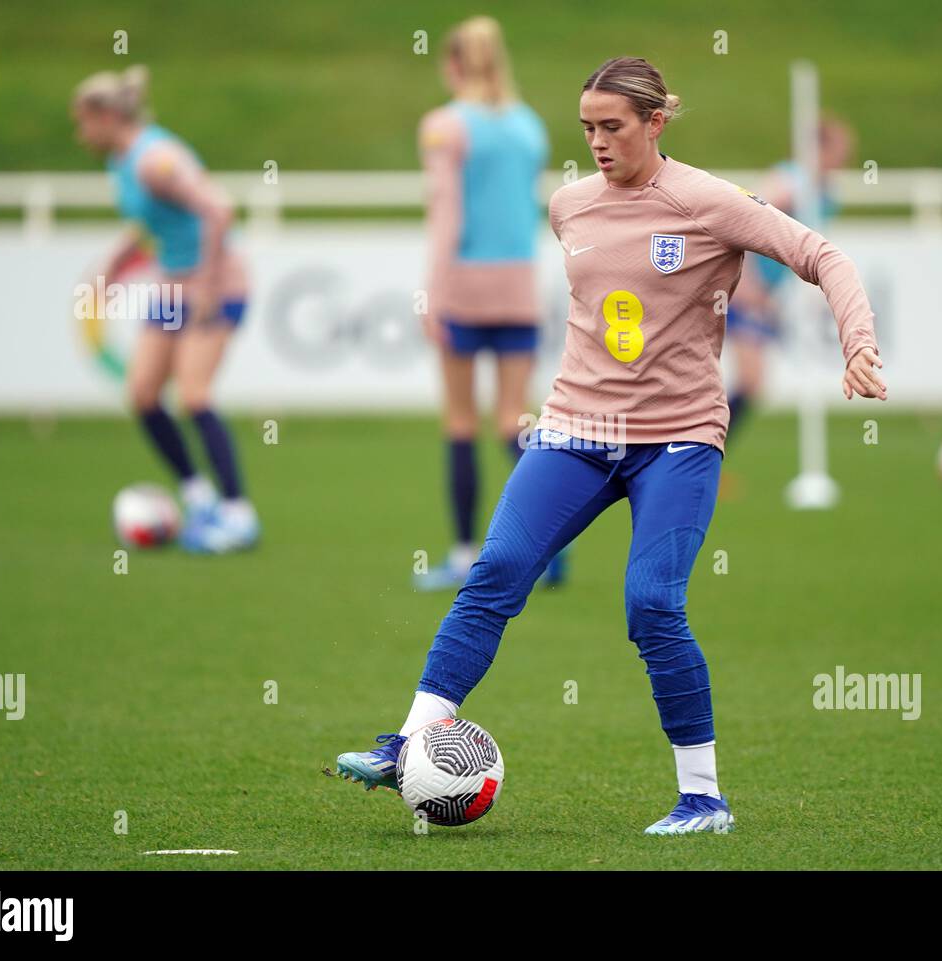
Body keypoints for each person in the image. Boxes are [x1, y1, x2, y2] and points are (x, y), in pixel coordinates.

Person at [334, 57, 885, 834]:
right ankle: (408, 743)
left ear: (656, 122)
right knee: (495, 571)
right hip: (573, 430)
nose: (596, 141)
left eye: (613, 127)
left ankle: (704, 798)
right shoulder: (569, 207)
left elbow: (823, 256)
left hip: (679, 440)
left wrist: (857, 343)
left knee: (652, 604)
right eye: (587, 127)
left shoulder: (709, 201)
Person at [73, 65, 258, 553]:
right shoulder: (121, 159)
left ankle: (239, 514)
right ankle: (200, 499)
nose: (80, 134)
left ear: (108, 116)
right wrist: (115, 263)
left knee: (194, 396)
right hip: (173, 287)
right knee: (143, 393)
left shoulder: (155, 160)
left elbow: (217, 210)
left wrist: (206, 285)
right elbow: (155, 220)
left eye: (83, 122)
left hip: (215, 284)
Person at [413, 17, 562, 590]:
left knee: (460, 421)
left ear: (452, 64)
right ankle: (547, 542)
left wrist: (433, 287)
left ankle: (462, 552)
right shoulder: (528, 126)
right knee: (515, 420)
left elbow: (447, 213)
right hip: (519, 282)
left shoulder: (445, 126)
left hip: (467, 285)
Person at [724, 118, 856, 449]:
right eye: (839, 151)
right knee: (748, 380)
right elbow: (746, 221)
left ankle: (703, 455)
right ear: (819, 149)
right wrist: (748, 280)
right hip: (737, 285)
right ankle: (699, 454)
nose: (844, 160)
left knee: (751, 384)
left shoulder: (826, 195)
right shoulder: (789, 181)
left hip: (761, 293)